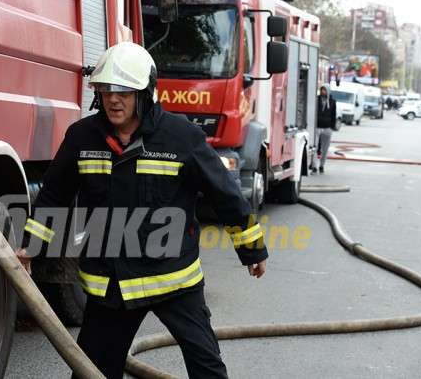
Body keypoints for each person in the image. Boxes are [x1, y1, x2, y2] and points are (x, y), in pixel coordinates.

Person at [16, 42, 268, 379]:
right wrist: (31, 247)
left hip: (173, 279)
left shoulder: (180, 137)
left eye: (124, 91)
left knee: (207, 366)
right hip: (112, 285)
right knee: (91, 372)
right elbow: (54, 196)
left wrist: (251, 248)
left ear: (145, 93)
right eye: (106, 90)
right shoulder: (82, 138)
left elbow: (224, 194)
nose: (113, 99)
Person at [311, 84, 337, 174]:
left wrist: (332, 127)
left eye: (325, 90)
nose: (323, 92)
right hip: (317, 127)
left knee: (325, 148)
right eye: (322, 90)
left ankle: (322, 165)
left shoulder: (332, 102)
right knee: (314, 147)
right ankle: (314, 166)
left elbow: (334, 115)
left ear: (328, 91)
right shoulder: (316, 99)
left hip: (327, 127)